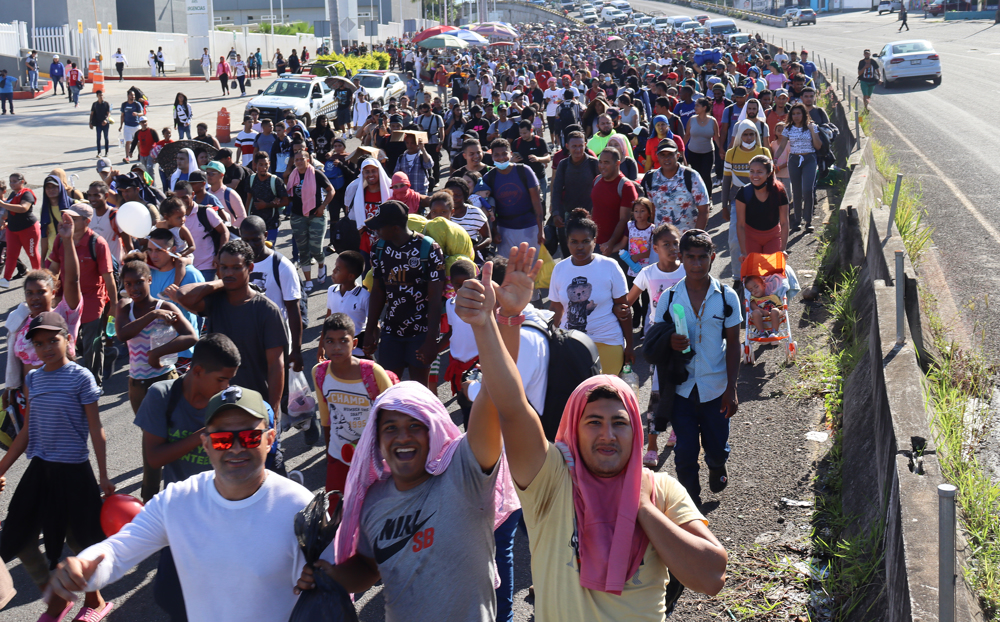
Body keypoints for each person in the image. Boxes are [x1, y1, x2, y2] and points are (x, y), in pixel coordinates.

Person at [455, 243, 727, 621]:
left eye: (619, 423)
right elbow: (513, 407)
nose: (607, 435)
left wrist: (641, 507)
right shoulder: (551, 480)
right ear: (572, 430)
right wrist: (501, 321)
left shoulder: (660, 490)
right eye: (593, 422)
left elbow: (712, 575)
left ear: (636, 432)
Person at [49, 385, 331, 622]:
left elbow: (338, 583)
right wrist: (84, 567)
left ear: (269, 440)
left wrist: (328, 579)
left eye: (248, 436)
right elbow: (119, 550)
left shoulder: (301, 507)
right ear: (206, 444)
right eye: (222, 439)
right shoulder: (178, 501)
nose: (235, 448)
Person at [0, 309, 116, 622]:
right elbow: (26, 432)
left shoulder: (81, 377)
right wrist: (1, 468)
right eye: (39, 344)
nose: (47, 348)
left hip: (74, 472)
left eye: (53, 340)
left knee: (82, 542)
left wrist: (104, 475)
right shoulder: (33, 379)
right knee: (18, 537)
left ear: (68, 339)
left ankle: (94, 602)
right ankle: (55, 600)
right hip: (40, 470)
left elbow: (96, 429)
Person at [657, 229, 742, 504]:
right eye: (690, 258)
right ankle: (691, 507)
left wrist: (732, 388)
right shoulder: (668, 300)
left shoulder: (727, 298)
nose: (696, 264)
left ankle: (717, 464)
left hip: (715, 389)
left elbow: (733, 345)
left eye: (702, 258)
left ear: (713, 258)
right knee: (685, 452)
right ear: (680, 258)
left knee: (716, 446)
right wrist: (669, 341)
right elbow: (655, 346)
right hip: (682, 390)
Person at [166, 240, 288, 415]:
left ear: (250, 267)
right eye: (224, 267)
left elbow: (276, 365)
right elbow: (183, 295)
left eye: (236, 268)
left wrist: (273, 411)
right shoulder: (216, 301)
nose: (229, 272)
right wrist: (222, 282)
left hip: (255, 405)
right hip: (218, 404)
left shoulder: (267, 310)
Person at [362, 200, 445, 386]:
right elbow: (378, 290)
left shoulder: (429, 249)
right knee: (389, 386)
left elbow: (435, 300)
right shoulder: (379, 249)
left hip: (421, 332)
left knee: (419, 388)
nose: (376, 232)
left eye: (379, 227)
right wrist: (370, 329)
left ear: (395, 228)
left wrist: (432, 340)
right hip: (391, 329)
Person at [314, 312, 394, 496]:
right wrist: (330, 456)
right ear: (323, 344)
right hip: (339, 455)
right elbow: (326, 419)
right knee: (337, 508)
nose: (336, 347)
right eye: (330, 341)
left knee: (373, 508)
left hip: (374, 456)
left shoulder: (373, 372)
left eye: (343, 341)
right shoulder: (319, 373)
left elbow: (394, 413)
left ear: (354, 343)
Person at [625, 222, 686, 465]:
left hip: (683, 338)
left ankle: (676, 431)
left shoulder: (686, 272)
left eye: (675, 243)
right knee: (657, 392)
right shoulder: (648, 273)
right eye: (666, 244)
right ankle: (651, 445)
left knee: (682, 386)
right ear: (655, 248)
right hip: (657, 341)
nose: (672, 248)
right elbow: (628, 302)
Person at [549, 208, 633, 376]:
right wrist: (549, 341)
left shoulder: (610, 266)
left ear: (594, 241)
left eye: (585, 241)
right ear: (567, 242)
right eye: (574, 241)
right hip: (571, 343)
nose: (580, 247)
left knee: (605, 395)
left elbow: (623, 309)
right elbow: (556, 309)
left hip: (607, 341)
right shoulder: (559, 269)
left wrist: (629, 347)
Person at [48, 203, 118, 387]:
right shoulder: (60, 239)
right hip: (68, 299)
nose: (67, 220)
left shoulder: (98, 243)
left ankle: (94, 384)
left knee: (91, 345)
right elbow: (54, 268)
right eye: (66, 216)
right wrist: (46, 291)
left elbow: (109, 278)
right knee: (69, 342)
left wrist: (115, 307)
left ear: (87, 222)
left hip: (93, 300)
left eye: (73, 218)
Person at [721, 120, 770, 280]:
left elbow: (772, 180)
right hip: (737, 202)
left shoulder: (764, 152)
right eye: (745, 134)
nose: (749, 138)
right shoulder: (732, 153)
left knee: (762, 239)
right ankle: (737, 277)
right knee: (735, 240)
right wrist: (724, 206)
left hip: (762, 202)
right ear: (739, 136)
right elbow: (726, 180)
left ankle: (762, 276)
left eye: (752, 134)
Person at [484, 138, 545, 250]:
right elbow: (490, 209)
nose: (501, 158)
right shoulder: (488, 178)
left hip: (530, 228)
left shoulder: (525, 171)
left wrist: (541, 230)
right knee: (509, 267)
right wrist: (494, 231)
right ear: (492, 156)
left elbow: (536, 202)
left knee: (533, 265)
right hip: (504, 231)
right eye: (496, 155)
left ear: (511, 154)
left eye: (504, 154)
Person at [287, 151, 334, 291]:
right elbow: (289, 194)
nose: (299, 162)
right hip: (297, 216)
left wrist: (323, 206)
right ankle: (308, 281)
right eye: (297, 159)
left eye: (302, 159)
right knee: (303, 249)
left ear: (308, 160)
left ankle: (321, 265)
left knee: (316, 248)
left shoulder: (316, 174)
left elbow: (331, 190)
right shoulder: (293, 175)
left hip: (316, 215)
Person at [642, 138, 710, 234]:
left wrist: (695, 237)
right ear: (657, 157)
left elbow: (704, 210)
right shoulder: (651, 178)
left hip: (687, 241)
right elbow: (653, 210)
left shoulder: (691, 176)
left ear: (678, 156)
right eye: (662, 155)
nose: (666, 158)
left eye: (670, 154)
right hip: (662, 241)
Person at [735, 155, 790, 266]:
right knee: (754, 275)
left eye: (759, 172)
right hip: (751, 238)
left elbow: (784, 222)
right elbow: (740, 225)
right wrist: (743, 251)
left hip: (773, 237)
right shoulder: (743, 193)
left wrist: (783, 249)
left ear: (769, 173)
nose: (755, 175)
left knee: (773, 274)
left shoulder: (779, 191)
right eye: (752, 171)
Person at [777, 103, 822, 233]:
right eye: (794, 114)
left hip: (809, 159)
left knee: (807, 189)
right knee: (796, 191)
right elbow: (782, 146)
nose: (796, 116)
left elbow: (818, 145)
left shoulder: (811, 127)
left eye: (799, 113)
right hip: (794, 159)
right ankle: (797, 220)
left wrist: (812, 130)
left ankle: (808, 220)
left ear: (804, 114)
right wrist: (774, 159)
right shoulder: (788, 129)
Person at [590, 147, 637, 255]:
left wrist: (610, 243)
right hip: (595, 244)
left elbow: (624, 219)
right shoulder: (597, 180)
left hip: (614, 248)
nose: (602, 166)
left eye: (606, 163)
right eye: (600, 162)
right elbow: (595, 208)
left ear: (617, 163)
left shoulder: (626, 186)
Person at [0, 173, 40, 287]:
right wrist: (4, 218)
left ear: (22, 182)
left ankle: (38, 277)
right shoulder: (13, 193)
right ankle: (6, 280)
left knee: (32, 254)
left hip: (28, 229)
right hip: (12, 229)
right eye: (10, 181)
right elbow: (9, 210)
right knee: (11, 255)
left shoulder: (27, 193)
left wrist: (3, 204)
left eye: (14, 181)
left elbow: (24, 208)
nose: (11, 184)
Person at [248, 151, 290, 243]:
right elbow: (248, 200)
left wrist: (267, 205)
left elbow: (286, 201)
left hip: (271, 224)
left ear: (269, 164)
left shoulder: (276, 181)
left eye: (266, 164)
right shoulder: (251, 179)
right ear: (255, 165)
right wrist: (246, 219)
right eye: (261, 165)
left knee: (269, 250)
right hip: (255, 224)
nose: (264, 168)